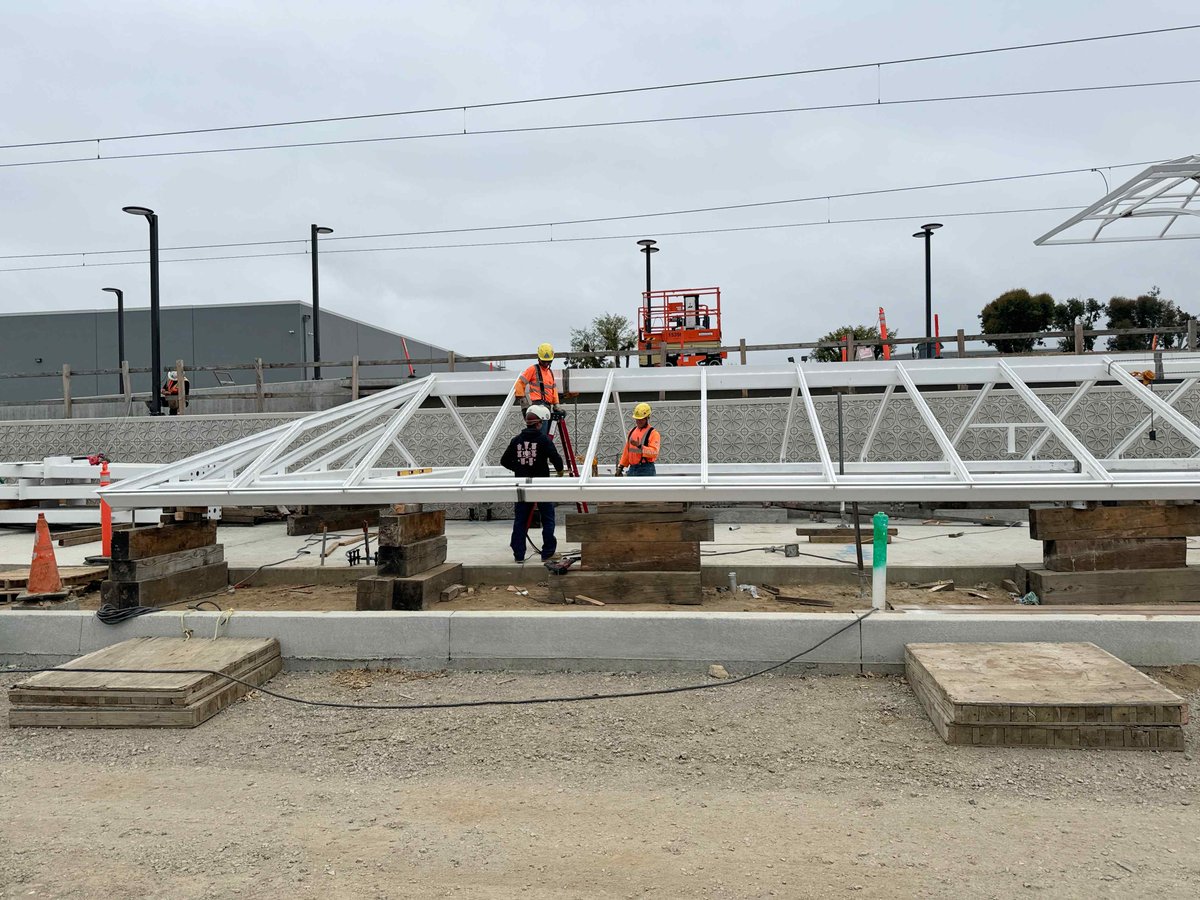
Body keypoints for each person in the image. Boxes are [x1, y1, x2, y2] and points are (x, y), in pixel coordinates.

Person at [500, 406, 565, 562]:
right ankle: (548, 552)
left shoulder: (516, 441)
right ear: (540, 424)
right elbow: (556, 459)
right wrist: (560, 471)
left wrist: (519, 468)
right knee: (548, 518)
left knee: (520, 520)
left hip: (523, 487)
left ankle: (519, 555)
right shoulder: (543, 440)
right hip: (541, 486)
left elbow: (504, 461)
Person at [514, 343, 561, 433]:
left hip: (547, 407)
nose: (546, 363)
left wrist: (556, 404)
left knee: (546, 435)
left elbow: (553, 389)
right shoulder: (533, 369)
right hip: (537, 406)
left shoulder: (550, 372)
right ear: (539, 358)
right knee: (540, 436)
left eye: (549, 361)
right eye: (544, 361)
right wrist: (523, 401)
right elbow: (519, 384)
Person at [617, 402, 660, 477]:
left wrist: (640, 446)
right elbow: (627, 451)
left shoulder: (653, 433)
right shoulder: (632, 431)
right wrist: (621, 467)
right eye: (637, 419)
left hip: (646, 469)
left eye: (641, 419)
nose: (638, 421)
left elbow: (654, 452)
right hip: (632, 469)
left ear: (647, 418)